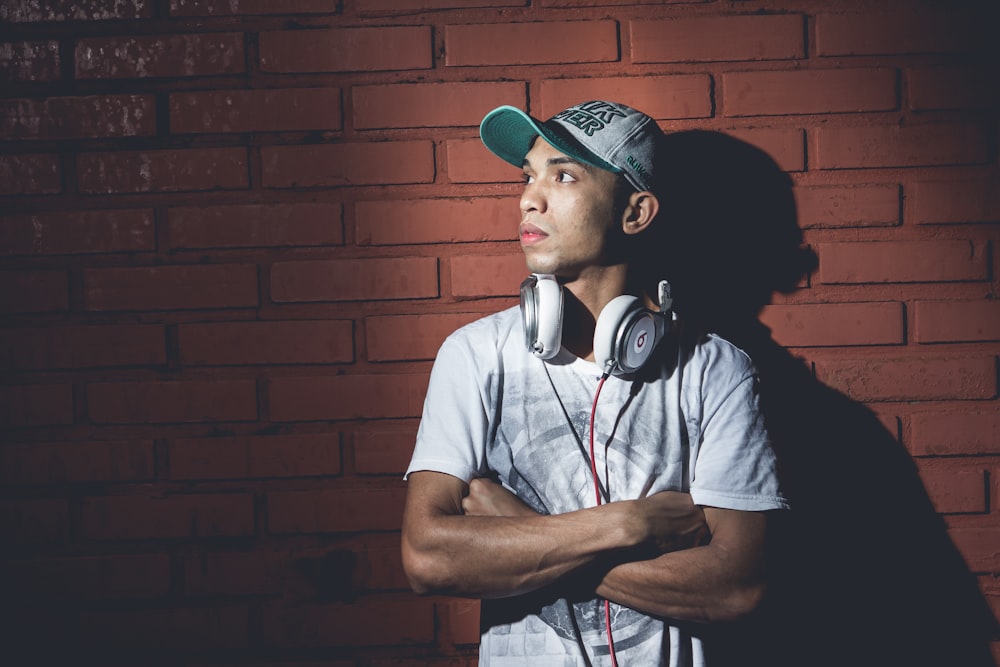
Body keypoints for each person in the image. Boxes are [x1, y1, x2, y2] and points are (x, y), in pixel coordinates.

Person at [401, 100, 789, 666]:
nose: (528, 198)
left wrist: (520, 528)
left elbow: (736, 586)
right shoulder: (475, 355)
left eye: (563, 175)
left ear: (636, 212)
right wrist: (628, 523)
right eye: (528, 176)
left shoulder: (715, 370)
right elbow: (427, 557)